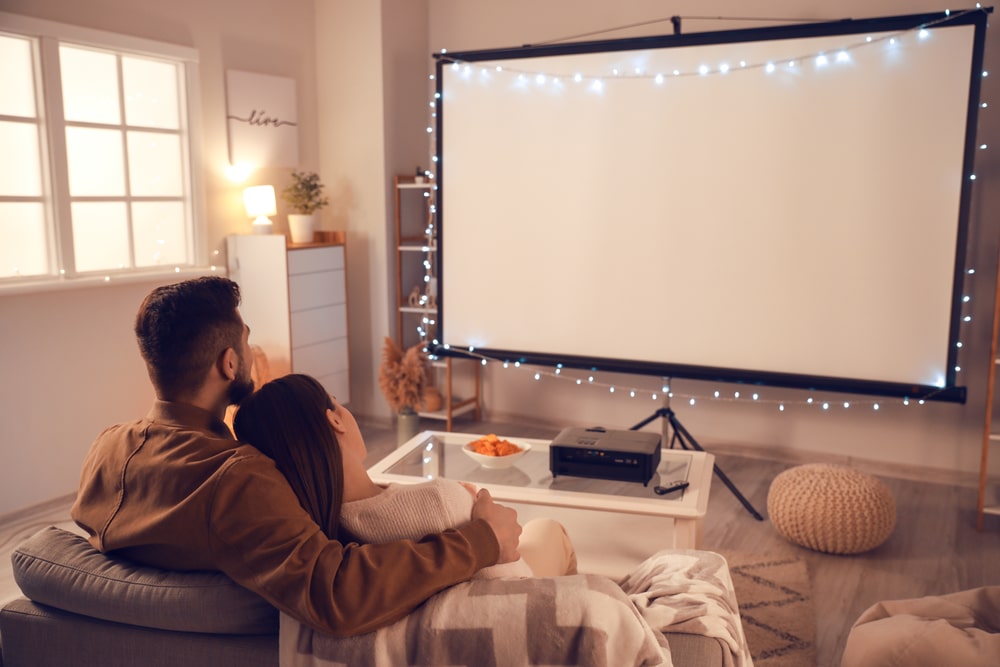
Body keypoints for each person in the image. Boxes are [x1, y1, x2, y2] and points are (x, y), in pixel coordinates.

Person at [70, 276, 522, 637]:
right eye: (246, 343)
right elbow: (337, 594)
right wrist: (482, 540)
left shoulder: (106, 449)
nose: (249, 353)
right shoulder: (235, 478)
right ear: (230, 363)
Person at [232, 373, 578, 581]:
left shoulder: (314, 529)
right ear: (334, 420)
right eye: (338, 404)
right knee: (549, 528)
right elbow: (517, 582)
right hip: (514, 594)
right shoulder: (442, 502)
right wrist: (465, 503)